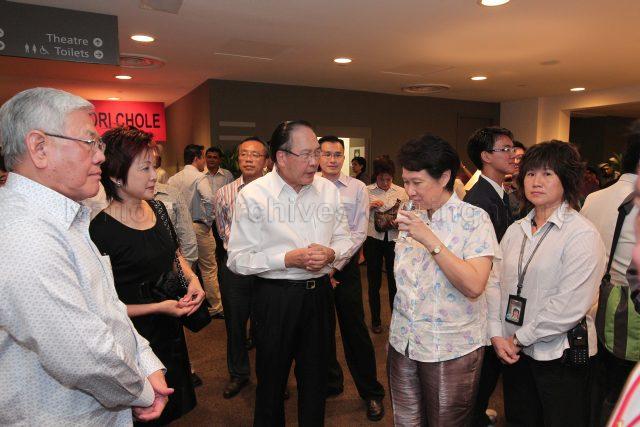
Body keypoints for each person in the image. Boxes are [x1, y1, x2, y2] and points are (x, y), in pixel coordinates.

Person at [0, 87, 170, 425]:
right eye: (89, 143)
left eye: (99, 145)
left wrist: (147, 362)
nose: (100, 157)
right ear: (40, 148)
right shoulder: (24, 234)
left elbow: (109, 308)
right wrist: (142, 389)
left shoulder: (64, 218)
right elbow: (84, 355)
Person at [227, 120, 353, 426]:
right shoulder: (254, 195)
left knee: (316, 381)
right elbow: (238, 259)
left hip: (320, 296)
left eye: (318, 154)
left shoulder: (327, 190)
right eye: (307, 154)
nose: (316, 163)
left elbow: (345, 237)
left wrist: (332, 254)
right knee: (271, 382)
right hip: (275, 299)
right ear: (282, 156)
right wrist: (287, 259)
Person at [89, 125, 204, 425]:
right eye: (144, 168)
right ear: (115, 176)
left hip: (170, 327)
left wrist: (192, 280)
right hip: (133, 338)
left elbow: (175, 255)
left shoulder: (158, 209)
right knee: (143, 413)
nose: (155, 175)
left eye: (154, 165)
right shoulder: (99, 230)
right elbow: (102, 307)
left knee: (170, 405)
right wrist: (159, 307)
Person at [486, 140, 606, 427]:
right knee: (520, 419)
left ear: (567, 180)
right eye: (530, 173)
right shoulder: (516, 230)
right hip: (514, 353)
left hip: (559, 355)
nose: (536, 181)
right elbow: (493, 282)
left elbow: (568, 306)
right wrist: (496, 334)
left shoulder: (582, 235)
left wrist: (518, 339)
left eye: (548, 174)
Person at [390, 134, 498, 426]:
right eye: (406, 181)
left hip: (451, 346)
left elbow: (475, 285)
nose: (409, 191)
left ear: (445, 177)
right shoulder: (411, 214)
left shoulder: (474, 219)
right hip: (404, 341)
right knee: (407, 420)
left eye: (417, 182)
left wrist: (431, 240)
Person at [318, 136, 386, 421]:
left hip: (343, 269)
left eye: (338, 154)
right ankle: (331, 383)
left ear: (344, 157)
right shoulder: (309, 185)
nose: (333, 160)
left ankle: (371, 392)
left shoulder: (357, 188)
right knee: (319, 332)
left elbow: (358, 233)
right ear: (318, 156)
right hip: (314, 268)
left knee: (354, 331)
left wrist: (334, 267)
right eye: (327, 154)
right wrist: (321, 268)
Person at [582, 128, 640, 425]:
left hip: (601, 300)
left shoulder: (594, 199)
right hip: (630, 308)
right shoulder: (633, 201)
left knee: (607, 385)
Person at [464, 126, 517, 426]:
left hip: (497, 290)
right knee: (484, 369)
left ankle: (478, 413)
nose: (512, 155)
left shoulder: (497, 192)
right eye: (505, 149)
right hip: (485, 294)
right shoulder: (479, 200)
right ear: (485, 156)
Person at [214, 136, 268, 399]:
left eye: (255, 155)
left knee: (269, 325)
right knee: (235, 324)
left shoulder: (277, 192)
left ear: (266, 160)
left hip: (269, 269)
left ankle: (272, 377)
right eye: (244, 154)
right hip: (235, 268)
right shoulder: (224, 193)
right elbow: (225, 234)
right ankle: (238, 374)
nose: (248, 159)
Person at [168, 144, 223, 317]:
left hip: (179, 228)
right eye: (203, 158)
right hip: (199, 226)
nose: (205, 162)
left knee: (185, 267)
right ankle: (215, 307)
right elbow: (209, 198)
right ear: (197, 158)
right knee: (209, 268)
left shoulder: (173, 179)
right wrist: (209, 220)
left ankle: (184, 303)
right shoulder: (199, 177)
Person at [365, 155, 408, 334]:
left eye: (389, 179)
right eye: (382, 179)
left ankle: (395, 320)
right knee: (373, 282)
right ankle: (375, 320)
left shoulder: (400, 192)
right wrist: (367, 207)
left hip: (394, 240)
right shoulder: (366, 190)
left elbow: (408, 214)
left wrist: (399, 220)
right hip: (372, 239)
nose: (385, 182)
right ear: (376, 176)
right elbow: (354, 217)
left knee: (394, 281)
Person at [155, 181, 199, 266]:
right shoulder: (125, 198)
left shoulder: (173, 193)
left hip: (170, 266)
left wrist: (186, 268)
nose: (152, 175)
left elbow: (186, 234)